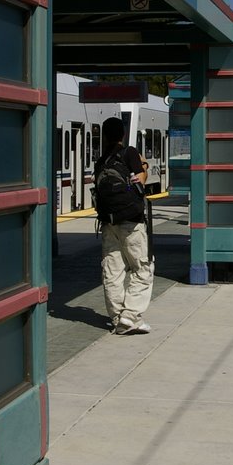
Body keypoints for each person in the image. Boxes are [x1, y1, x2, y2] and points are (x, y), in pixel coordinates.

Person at [93, 116, 153, 335]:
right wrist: (143, 165)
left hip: (109, 224)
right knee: (142, 269)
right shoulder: (129, 153)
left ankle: (118, 318)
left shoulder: (100, 162)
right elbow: (141, 180)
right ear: (123, 134)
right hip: (131, 222)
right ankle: (130, 317)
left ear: (105, 135)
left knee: (113, 272)